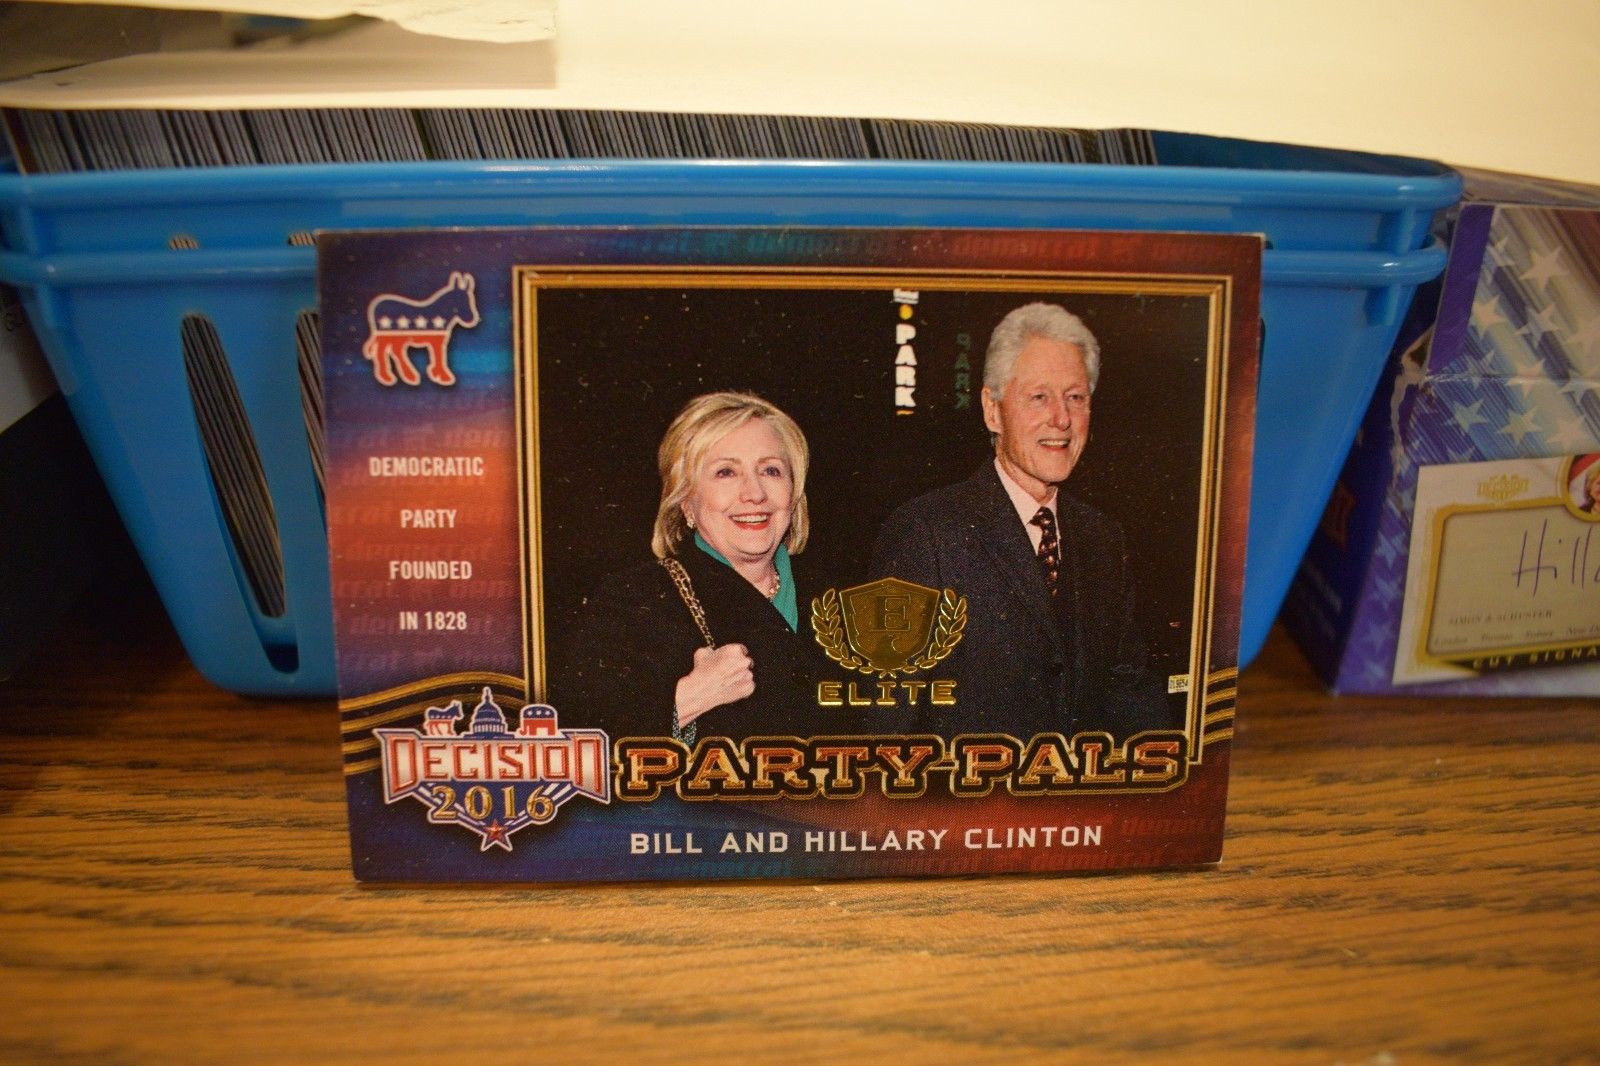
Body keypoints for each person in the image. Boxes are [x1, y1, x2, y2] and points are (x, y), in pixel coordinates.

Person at [870, 302, 1171, 739]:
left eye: (1075, 397)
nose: (1061, 419)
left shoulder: (1104, 537)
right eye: (1038, 397)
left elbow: (1132, 694)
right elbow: (890, 720)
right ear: (992, 411)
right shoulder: (926, 533)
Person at [563, 391, 840, 742]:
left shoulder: (838, 599)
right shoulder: (634, 600)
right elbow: (576, 742)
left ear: (793, 493)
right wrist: (688, 699)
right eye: (726, 472)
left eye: (771, 470)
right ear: (686, 501)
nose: (754, 493)